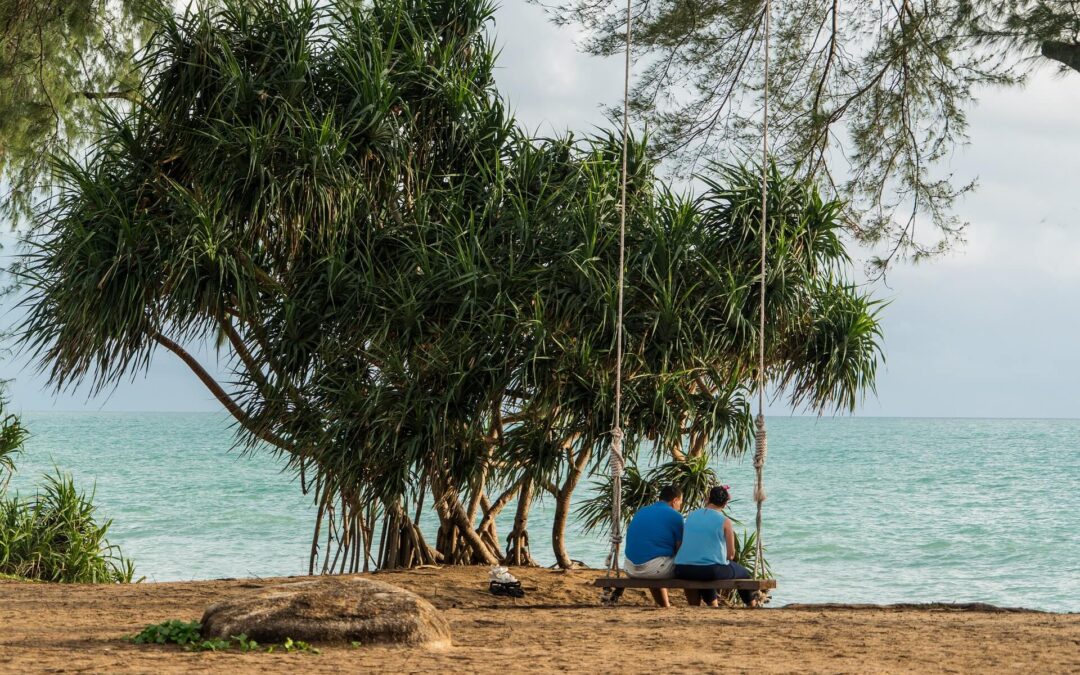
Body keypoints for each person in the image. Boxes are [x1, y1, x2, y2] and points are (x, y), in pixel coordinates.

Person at [674, 484, 755, 607]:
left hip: (682, 569)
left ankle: (713, 605)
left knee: (707, 570)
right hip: (708, 571)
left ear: (708, 498)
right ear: (725, 504)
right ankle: (752, 605)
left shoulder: (691, 516)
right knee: (743, 573)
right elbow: (731, 555)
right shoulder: (724, 521)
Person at [623, 484, 684, 607]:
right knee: (688, 565)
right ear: (675, 500)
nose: (680, 507)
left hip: (630, 568)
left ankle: (664, 605)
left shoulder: (642, 511)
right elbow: (680, 550)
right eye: (680, 503)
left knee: (656, 559)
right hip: (653, 569)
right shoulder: (675, 516)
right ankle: (701, 603)